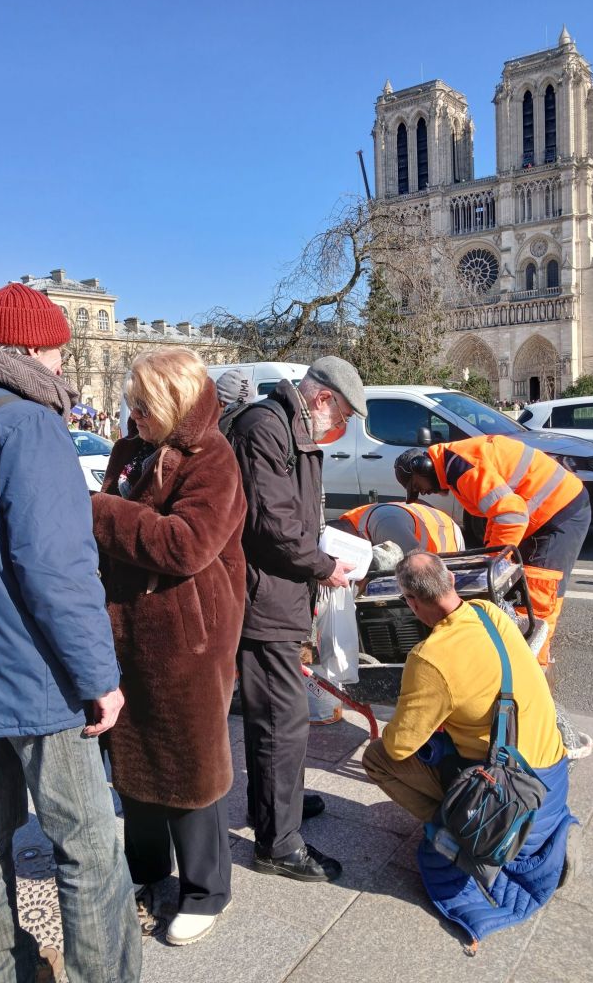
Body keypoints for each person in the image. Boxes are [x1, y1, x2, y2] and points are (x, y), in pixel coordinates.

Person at [0, 282, 141, 983]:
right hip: (32, 671)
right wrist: (99, 678)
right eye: (57, 351)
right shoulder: (30, 423)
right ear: (30, 350)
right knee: (88, 844)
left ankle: (1, 966)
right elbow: (57, 568)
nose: (63, 364)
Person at [92, 347, 247, 946]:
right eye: (131, 403)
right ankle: (147, 871)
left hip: (189, 640)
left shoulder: (214, 456)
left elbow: (186, 545)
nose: (133, 414)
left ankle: (207, 890)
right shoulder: (130, 449)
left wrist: (101, 512)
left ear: (176, 402)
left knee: (190, 764)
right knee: (133, 759)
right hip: (126, 629)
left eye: (144, 404)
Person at [363, 551, 578, 941]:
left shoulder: (429, 658)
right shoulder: (488, 612)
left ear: (411, 602)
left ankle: (454, 834)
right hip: (552, 779)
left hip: (508, 803)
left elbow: (398, 748)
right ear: (451, 580)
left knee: (376, 757)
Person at [228, 355, 366, 883]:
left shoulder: (291, 427)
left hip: (280, 593)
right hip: (263, 598)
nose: (342, 428)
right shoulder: (267, 426)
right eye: (344, 416)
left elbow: (294, 516)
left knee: (277, 718)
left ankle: (273, 805)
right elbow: (273, 524)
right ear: (323, 398)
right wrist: (325, 566)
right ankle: (278, 844)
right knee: (279, 720)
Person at [394, 435, 591, 665]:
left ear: (424, 467)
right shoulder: (454, 464)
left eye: (417, 486)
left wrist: (494, 563)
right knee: (521, 588)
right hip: (547, 511)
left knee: (537, 595)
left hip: (559, 511)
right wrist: (488, 555)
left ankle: (532, 668)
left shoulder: (461, 467)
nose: (423, 493)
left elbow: (511, 515)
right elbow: (496, 516)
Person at [339, 500, 465, 554]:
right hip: (428, 523)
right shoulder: (352, 520)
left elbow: (418, 561)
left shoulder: (385, 525)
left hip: (445, 533)